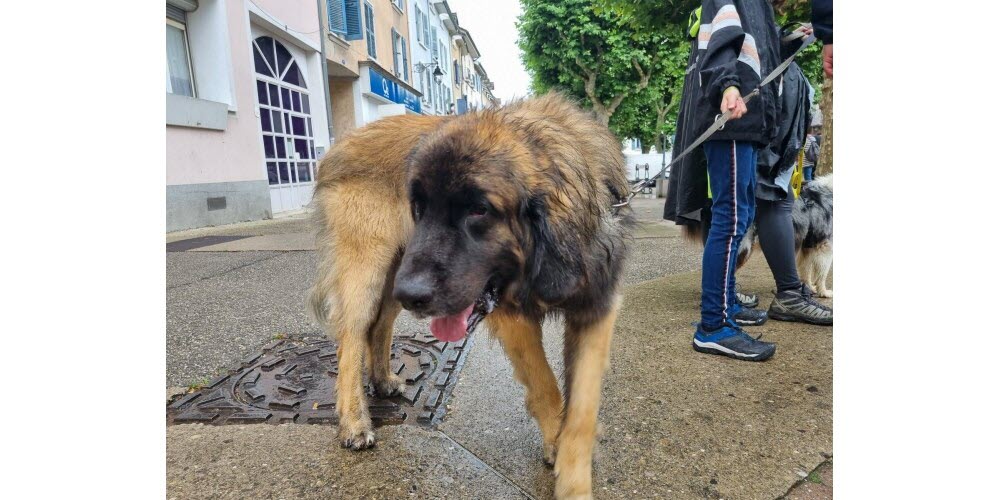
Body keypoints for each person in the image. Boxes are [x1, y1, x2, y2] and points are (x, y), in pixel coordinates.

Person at [682, 0, 786, 362]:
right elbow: (718, 40)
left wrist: (788, 40)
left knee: (738, 217)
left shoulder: (759, 7)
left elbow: (757, 54)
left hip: (747, 120)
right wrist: (727, 85)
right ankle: (713, 325)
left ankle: (725, 307)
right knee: (730, 220)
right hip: (731, 119)